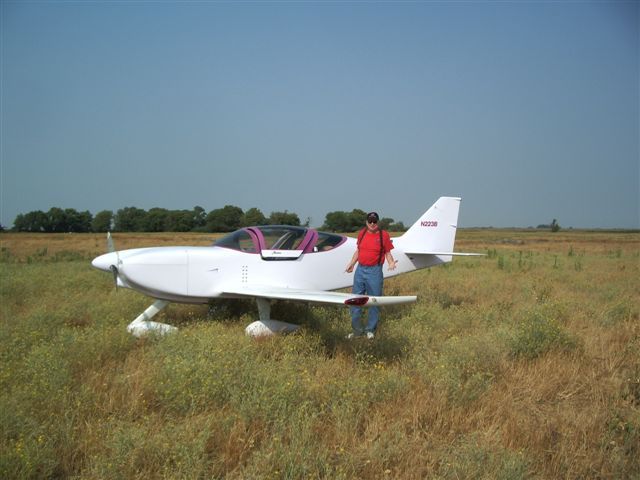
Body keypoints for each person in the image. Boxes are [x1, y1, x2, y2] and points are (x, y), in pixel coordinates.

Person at [345, 211, 397, 339]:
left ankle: (370, 330)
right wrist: (351, 263)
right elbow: (359, 250)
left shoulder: (383, 235)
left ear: (378, 222)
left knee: (374, 301)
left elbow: (388, 252)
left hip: (375, 271)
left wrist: (390, 263)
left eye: (375, 221)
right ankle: (357, 331)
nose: (372, 224)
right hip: (360, 270)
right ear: (366, 222)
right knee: (355, 300)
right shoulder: (362, 233)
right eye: (370, 221)